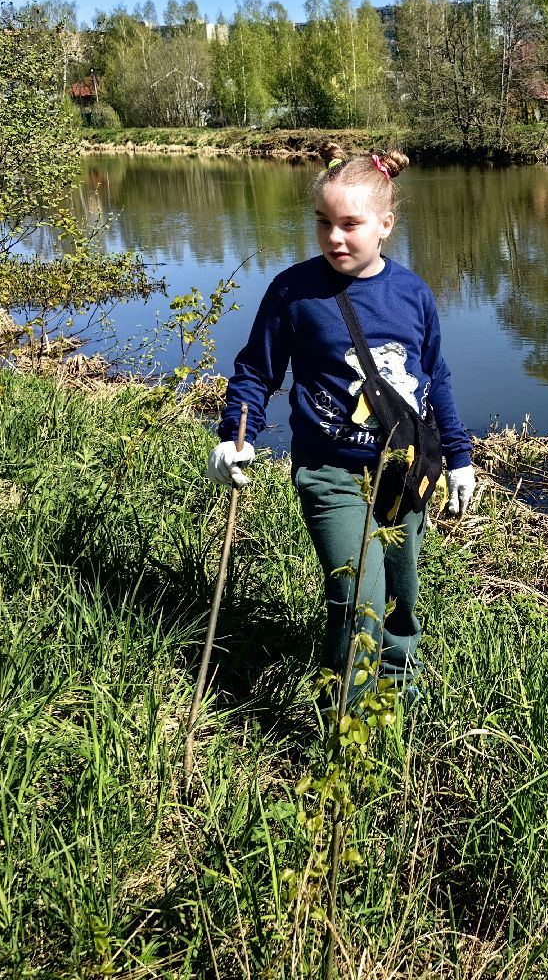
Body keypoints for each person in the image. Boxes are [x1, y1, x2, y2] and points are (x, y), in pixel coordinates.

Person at [205, 143, 475, 705]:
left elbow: (436, 378)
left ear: (385, 225)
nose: (334, 238)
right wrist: (235, 438)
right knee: (358, 599)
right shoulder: (293, 293)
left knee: (399, 596)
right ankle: (345, 720)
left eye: (350, 224)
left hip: (405, 471)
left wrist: (459, 458)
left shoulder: (413, 294)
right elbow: (256, 372)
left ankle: (395, 704)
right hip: (330, 473)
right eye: (323, 222)